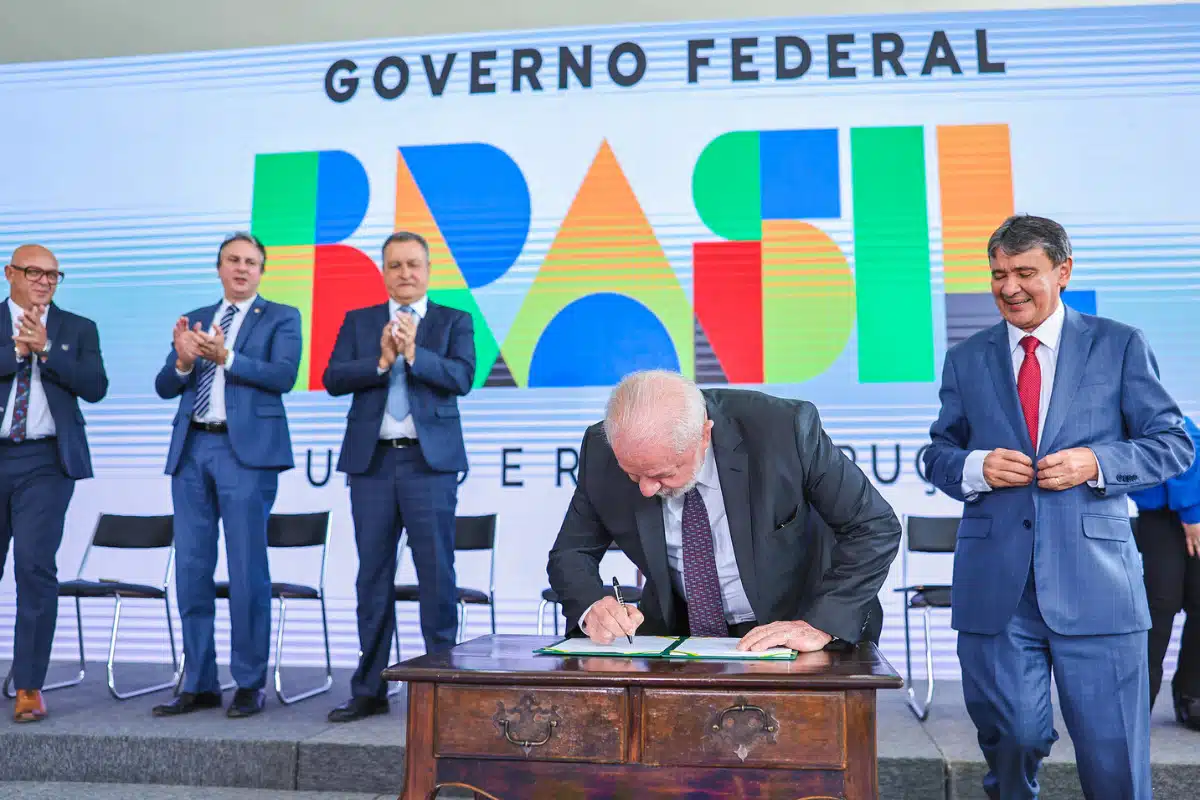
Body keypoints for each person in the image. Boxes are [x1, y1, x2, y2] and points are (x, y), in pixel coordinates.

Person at [924, 213, 1194, 800]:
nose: (1009, 287)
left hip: (1097, 587)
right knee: (1013, 737)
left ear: (1063, 271)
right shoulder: (966, 358)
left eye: (1025, 273)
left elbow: (1173, 445)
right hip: (998, 591)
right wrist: (975, 467)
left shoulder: (1119, 344)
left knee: (1115, 762)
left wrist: (1095, 463)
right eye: (998, 274)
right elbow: (937, 453)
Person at [546, 369, 901, 653]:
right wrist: (592, 607)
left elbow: (874, 527)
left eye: (662, 474)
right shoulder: (602, 450)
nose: (646, 489)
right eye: (633, 474)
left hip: (795, 629)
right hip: (681, 639)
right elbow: (571, 553)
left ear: (704, 435)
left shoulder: (783, 429)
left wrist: (820, 624)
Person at [324, 231, 475, 723]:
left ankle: (443, 690)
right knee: (372, 577)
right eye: (395, 265)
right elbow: (333, 378)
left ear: (428, 270)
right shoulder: (360, 320)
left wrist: (413, 354)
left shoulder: (453, 320)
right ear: (383, 272)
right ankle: (369, 689)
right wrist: (382, 361)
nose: (405, 273)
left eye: (413, 264)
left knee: (437, 576)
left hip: (429, 466)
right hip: (372, 465)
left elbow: (462, 377)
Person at [151, 233, 301, 719]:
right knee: (192, 568)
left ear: (262, 270)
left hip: (246, 455)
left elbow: (283, 375)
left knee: (246, 569)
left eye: (251, 262)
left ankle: (249, 681)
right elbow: (164, 386)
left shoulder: (282, 317)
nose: (241, 268)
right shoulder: (196, 317)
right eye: (233, 260)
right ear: (219, 268)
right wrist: (183, 360)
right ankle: (199, 681)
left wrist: (227, 358)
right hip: (193, 448)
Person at [0, 244, 108, 723]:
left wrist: (45, 349)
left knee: (34, 567)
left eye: (53, 275)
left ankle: (28, 686)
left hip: (45, 461)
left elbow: (96, 386)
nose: (45, 281)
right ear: (10, 273)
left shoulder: (77, 328)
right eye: (34, 272)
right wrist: (16, 352)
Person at [1131, 414, 1200, 730]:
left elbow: (1187, 444)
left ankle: (1192, 696)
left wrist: (1192, 513)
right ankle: (1138, 702)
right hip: (1158, 516)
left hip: (1193, 511)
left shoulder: (1152, 406)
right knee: (1161, 603)